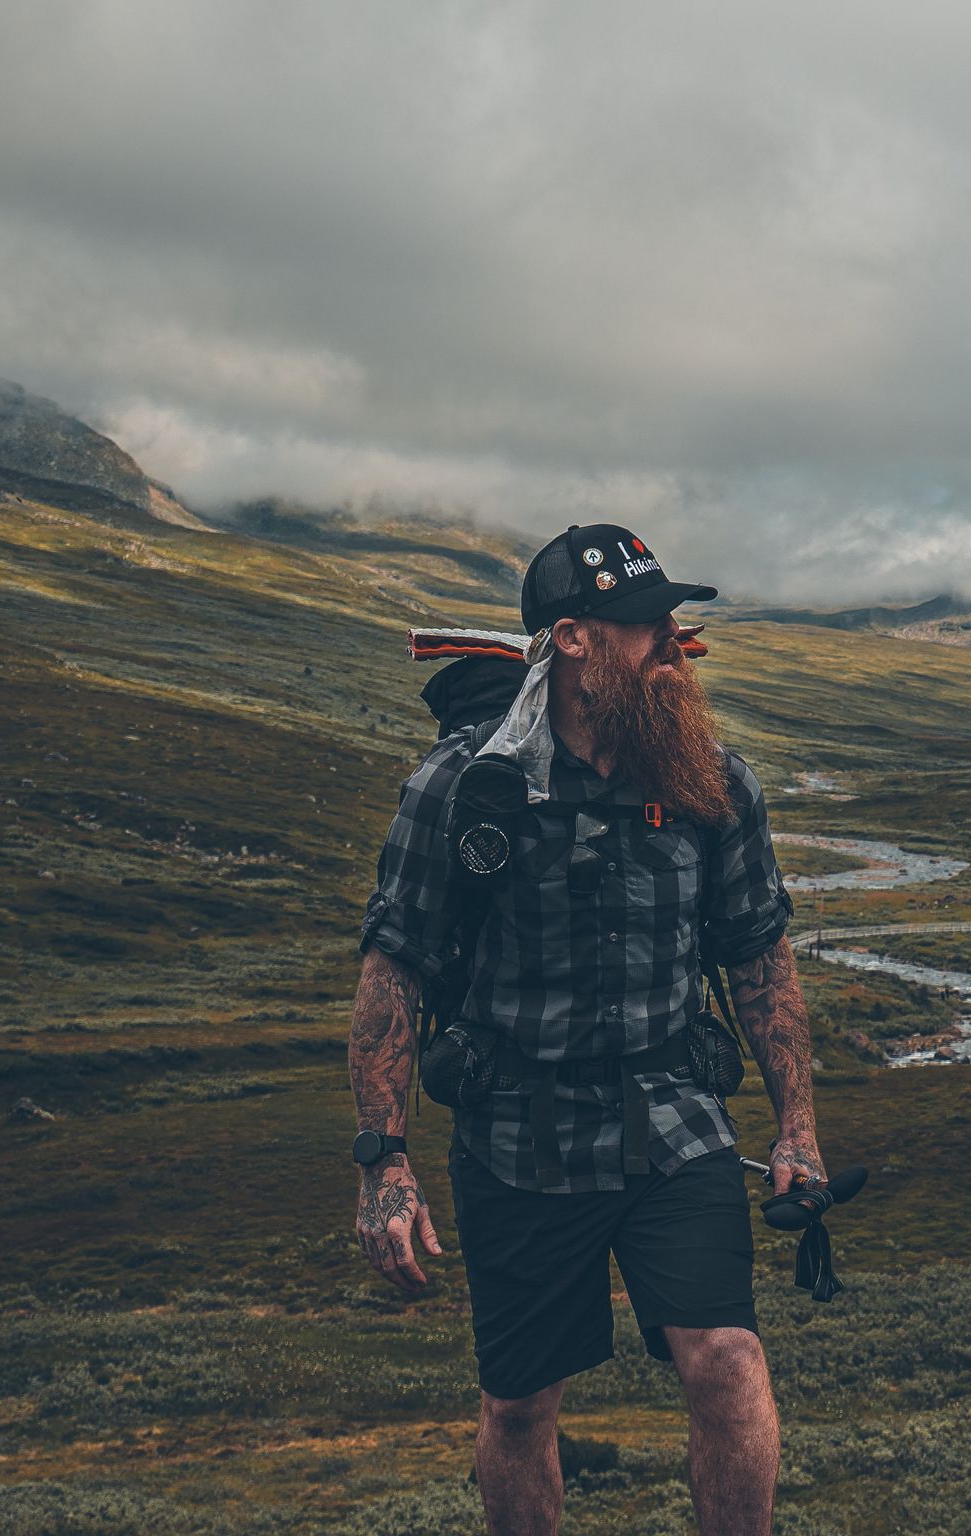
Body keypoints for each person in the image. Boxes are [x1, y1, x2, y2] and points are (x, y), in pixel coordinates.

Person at [348, 524, 824, 1536]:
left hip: (676, 1124)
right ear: (572, 639)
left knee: (729, 1361)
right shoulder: (464, 787)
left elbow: (759, 958)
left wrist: (798, 1130)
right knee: (520, 1408)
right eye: (646, 624)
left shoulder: (712, 781)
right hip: (517, 1138)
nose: (671, 642)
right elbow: (395, 972)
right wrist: (384, 1163)